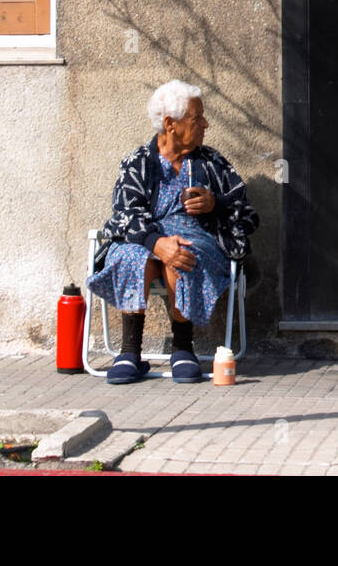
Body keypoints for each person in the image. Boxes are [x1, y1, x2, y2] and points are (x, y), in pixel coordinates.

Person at [88, 79, 259, 383]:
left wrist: (215, 204)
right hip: (144, 240)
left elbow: (247, 214)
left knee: (180, 254)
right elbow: (125, 214)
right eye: (197, 118)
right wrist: (156, 242)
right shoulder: (138, 163)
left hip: (197, 240)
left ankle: (183, 348)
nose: (205, 123)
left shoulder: (212, 163)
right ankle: (129, 352)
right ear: (170, 124)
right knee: (133, 257)